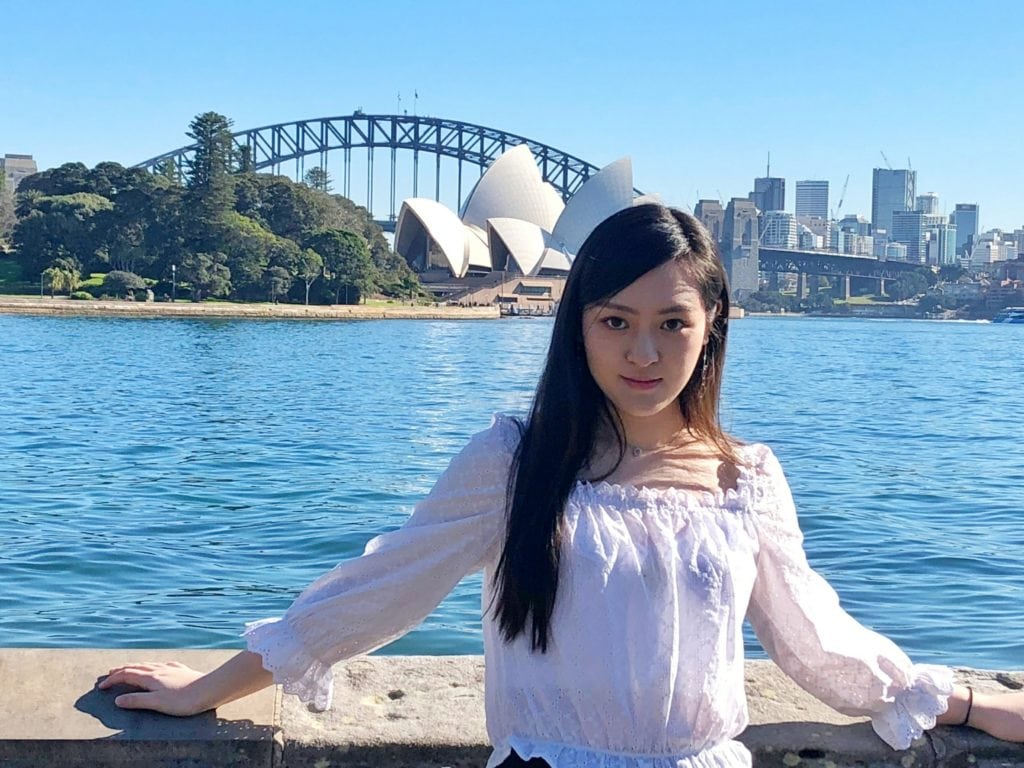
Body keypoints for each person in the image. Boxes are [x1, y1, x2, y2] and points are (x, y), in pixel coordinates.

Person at [100, 204, 1024, 766]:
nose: (643, 351)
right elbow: (378, 589)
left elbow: (818, 641)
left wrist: (969, 702)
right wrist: (207, 688)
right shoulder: (515, 458)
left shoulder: (746, 478)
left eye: (672, 322)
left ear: (713, 323)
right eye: (615, 321)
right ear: (578, 325)